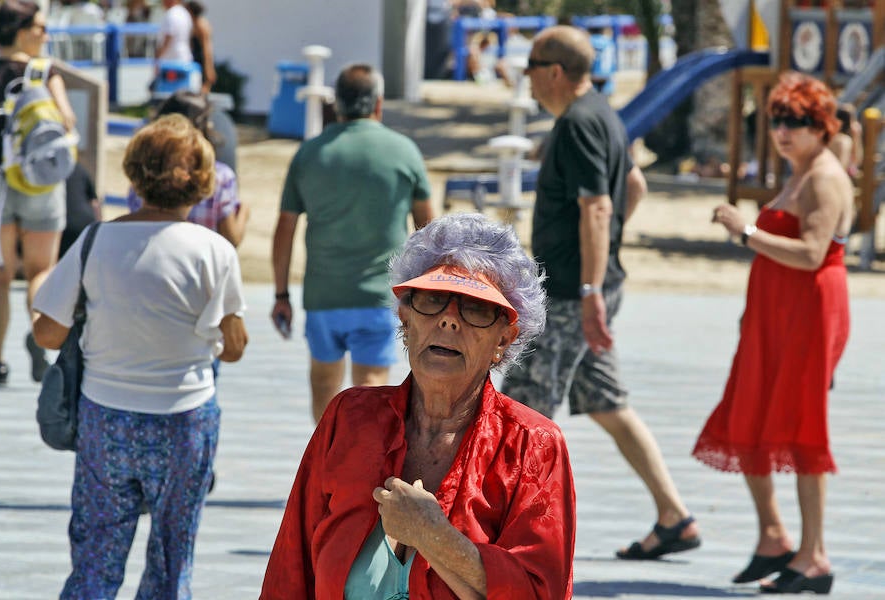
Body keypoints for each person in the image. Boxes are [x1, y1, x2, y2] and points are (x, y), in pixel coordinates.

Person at [260, 212, 575, 599]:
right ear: (405, 319)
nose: (448, 321)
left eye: (475, 309)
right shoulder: (350, 418)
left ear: (504, 339)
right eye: (432, 300)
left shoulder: (533, 444)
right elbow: (290, 573)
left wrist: (434, 536)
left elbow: (541, 590)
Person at [500, 25, 701, 560]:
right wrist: (605, 256)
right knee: (607, 402)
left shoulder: (579, 124)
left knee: (524, 409)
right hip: (588, 286)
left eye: (531, 71)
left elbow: (599, 205)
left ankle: (515, 536)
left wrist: (589, 284)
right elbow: (633, 185)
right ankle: (674, 516)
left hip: (570, 294)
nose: (529, 83)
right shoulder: (604, 115)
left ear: (555, 72)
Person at [32, 113, 248, 598]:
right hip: (184, 420)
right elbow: (232, 349)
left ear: (135, 175)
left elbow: (47, 334)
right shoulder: (215, 251)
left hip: (104, 420)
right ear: (202, 183)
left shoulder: (94, 242)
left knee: (95, 556)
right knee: (172, 559)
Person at [693, 72, 851, 595]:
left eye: (798, 122)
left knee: (804, 431)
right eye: (778, 120)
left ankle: (814, 557)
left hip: (808, 315)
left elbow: (811, 253)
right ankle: (773, 537)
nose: (784, 131)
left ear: (822, 127)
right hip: (774, 316)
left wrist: (746, 232)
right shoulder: (799, 172)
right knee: (748, 417)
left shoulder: (825, 177)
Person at [271, 63, 433, 423]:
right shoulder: (404, 151)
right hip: (380, 295)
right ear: (378, 103)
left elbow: (285, 228)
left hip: (322, 296)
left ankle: (329, 469)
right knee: (374, 391)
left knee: (324, 389)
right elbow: (428, 232)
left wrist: (281, 295)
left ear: (336, 105)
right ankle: (367, 474)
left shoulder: (310, 153)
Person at [0, 0, 76, 385]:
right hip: (41, 182)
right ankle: (39, 340)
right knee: (42, 271)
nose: (45, 34)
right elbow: (68, 121)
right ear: (22, 30)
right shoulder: (45, 73)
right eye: (39, 27)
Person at [127, 91, 249, 247]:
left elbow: (134, 221)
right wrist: (244, 211)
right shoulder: (220, 176)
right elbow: (231, 239)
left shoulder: (144, 171)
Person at [59, 161, 101, 259]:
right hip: (84, 227)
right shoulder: (80, 169)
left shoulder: (39, 171)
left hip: (58, 226)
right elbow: (95, 204)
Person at [184, 1, 215, 95]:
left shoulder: (201, 25)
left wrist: (209, 68)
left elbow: (207, 48)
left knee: (203, 89)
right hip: (195, 57)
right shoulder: (193, 24)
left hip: (201, 59)